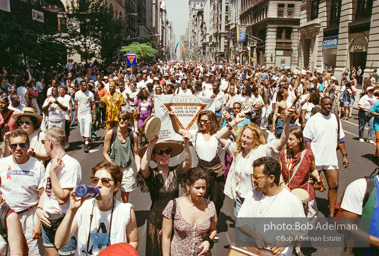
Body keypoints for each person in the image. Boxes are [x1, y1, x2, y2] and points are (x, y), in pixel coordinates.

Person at [218, 106, 296, 217]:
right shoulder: (238, 151)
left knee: (254, 231)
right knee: (240, 230)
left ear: (255, 140)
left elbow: (282, 141)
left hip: (256, 200)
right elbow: (219, 136)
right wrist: (234, 121)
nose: (244, 140)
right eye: (243, 136)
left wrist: (287, 120)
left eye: (248, 138)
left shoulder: (261, 150)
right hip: (239, 200)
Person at [55, 161, 139, 254]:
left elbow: (133, 241)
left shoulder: (125, 211)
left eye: (105, 181)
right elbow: (59, 244)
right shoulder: (82, 208)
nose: (98, 185)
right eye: (95, 180)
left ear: (116, 186)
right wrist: (71, 210)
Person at [236, 157, 306, 256]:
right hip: (253, 252)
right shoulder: (252, 194)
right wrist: (255, 235)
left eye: (257, 177)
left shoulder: (292, 201)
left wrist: (285, 241)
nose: (253, 180)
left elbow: (301, 232)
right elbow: (241, 222)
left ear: (271, 178)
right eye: (253, 176)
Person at [137, 132, 192, 256]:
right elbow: (143, 167)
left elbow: (188, 163)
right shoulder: (152, 175)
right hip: (155, 220)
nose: (164, 155)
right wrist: (151, 145)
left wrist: (187, 143)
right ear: (154, 157)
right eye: (159, 152)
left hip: (174, 219)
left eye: (166, 152)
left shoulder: (176, 172)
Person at [170, 110, 225, 220]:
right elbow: (178, 130)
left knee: (217, 200)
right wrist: (172, 117)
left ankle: (213, 226)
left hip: (217, 172)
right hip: (202, 171)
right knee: (200, 199)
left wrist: (234, 121)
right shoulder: (195, 134)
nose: (202, 123)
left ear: (212, 121)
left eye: (205, 121)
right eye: (200, 121)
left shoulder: (218, 135)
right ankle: (201, 224)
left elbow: (230, 130)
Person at [36, 127, 82, 256]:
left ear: (50, 142)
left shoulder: (71, 164)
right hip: (48, 218)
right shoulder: (51, 162)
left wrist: (52, 173)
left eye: (43, 142)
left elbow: (62, 198)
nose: (43, 145)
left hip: (63, 220)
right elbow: (47, 190)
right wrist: (40, 209)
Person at [0, 129, 45, 255]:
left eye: (22, 145)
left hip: (29, 217)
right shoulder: (2, 164)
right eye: (14, 145)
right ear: (10, 147)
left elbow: (43, 195)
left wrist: (38, 223)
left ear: (28, 145)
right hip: (6, 218)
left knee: (33, 253)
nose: (18, 149)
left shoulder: (37, 166)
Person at [303, 96, 349, 217]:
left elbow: (341, 139)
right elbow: (307, 140)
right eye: (326, 104)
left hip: (331, 159)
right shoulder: (313, 120)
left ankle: (332, 213)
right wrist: (309, 159)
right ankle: (306, 212)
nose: (328, 106)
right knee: (310, 186)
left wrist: (344, 156)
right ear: (320, 104)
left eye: (330, 104)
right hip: (315, 160)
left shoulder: (335, 118)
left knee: (334, 185)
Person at [161, 167, 217, 256]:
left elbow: (213, 230)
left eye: (204, 188)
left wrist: (208, 241)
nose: (201, 191)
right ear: (188, 185)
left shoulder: (210, 206)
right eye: (197, 188)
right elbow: (166, 237)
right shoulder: (173, 205)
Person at [279, 127, 320, 219]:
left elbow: (313, 169)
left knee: (309, 218)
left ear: (299, 140)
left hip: (305, 192)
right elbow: (279, 172)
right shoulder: (283, 154)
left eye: (291, 139)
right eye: (287, 139)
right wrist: (282, 184)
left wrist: (317, 177)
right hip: (288, 192)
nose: (288, 142)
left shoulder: (308, 154)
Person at [103, 111, 139, 203]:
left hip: (127, 169)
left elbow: (136, 153)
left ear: (129, 121)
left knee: (125, 198)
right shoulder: (110, 133)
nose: (121, 121)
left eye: (124, 119)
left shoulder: (133, 135)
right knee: (111, 195)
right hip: (113, 169)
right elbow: (105, 153)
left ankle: (122, 215)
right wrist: (112, 165)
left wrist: (139, 169)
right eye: (119, 119)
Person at [74, 80, 96, 153]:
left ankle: (86, 144)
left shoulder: (90, 94)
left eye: (85, 85)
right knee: (82, 129)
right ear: (80, 86)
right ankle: (86, 138)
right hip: (80, 114)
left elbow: (93, 104)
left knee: (88, 126)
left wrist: (94, 115)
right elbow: (76, 104)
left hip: (87, 113)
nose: (84, 87)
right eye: (83, 85)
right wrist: (76, 115)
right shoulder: (77, 94)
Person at [369, 90, 379, 163]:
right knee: (378, 140)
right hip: (378, 125)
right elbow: (371, 112)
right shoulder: (377, 103)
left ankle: (376, 154)